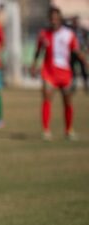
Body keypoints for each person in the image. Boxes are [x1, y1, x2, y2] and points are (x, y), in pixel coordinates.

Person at [31, 7, 87, 141]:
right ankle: (46, 130)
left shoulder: (69, 34)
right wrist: (34, 65)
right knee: (47, 98)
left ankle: (69, 130)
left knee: (67, 102)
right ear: (49, 19)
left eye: (56, 18)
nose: (54, 20)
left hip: (65, 72)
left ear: (60, 19)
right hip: (49, 72)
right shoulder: (44, 34)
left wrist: (85, 62)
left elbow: (76, 50)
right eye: (51, 18)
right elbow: (38, 51)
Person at [68, 16, 88, 94]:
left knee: (83, 70)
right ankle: (73, 86)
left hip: (81, 53)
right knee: (72, 71)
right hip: (72, 53)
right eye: (74, 21)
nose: (75, 23)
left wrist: (85, 50)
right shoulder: (70, 31)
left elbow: (86, 41)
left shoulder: (82, 31)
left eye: (76, 21)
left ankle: (86, 85)